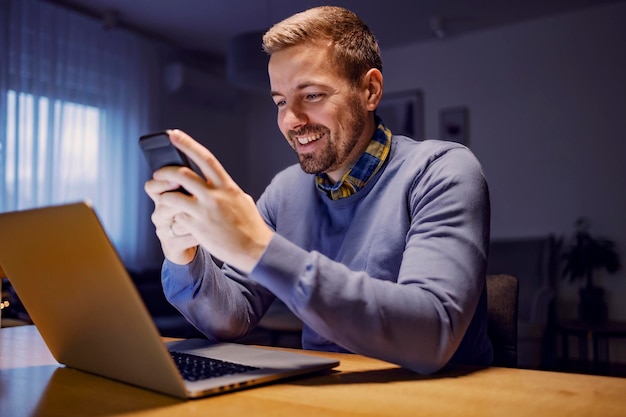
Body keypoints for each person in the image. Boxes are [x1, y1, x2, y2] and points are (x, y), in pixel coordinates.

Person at [144, 5, 492, 374]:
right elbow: (232, 318)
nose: (291, 120)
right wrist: (183, 255)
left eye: (311, 95)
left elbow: (431, 334)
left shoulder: (442, 171)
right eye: (280, 101)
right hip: (327, 393)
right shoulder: (285, 190)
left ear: (370, 90)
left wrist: (259, 248)